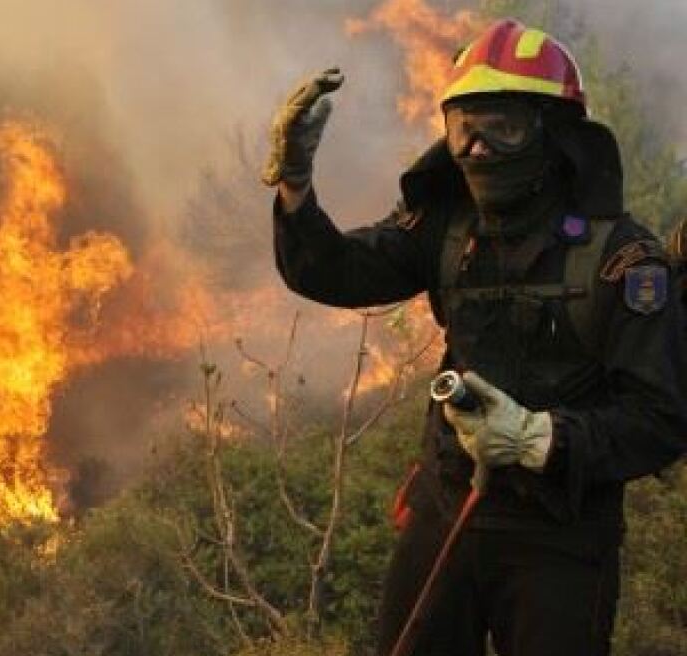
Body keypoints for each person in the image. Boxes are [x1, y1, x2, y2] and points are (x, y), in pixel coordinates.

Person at [263, 18, 687, 656]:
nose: (479, 150)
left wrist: (541, 438)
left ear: (553, 134)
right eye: (465, 127)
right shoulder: (444, 226)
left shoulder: (622, 260)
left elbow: (659, 419)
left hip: (560, 535)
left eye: (502, 126)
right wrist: (295, 184)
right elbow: (335, 270)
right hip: (446, 510)